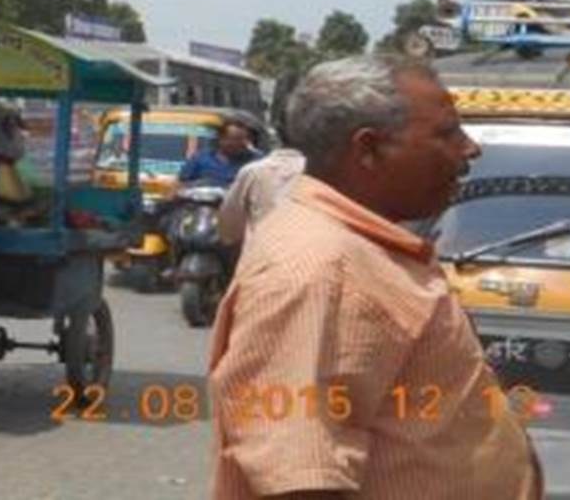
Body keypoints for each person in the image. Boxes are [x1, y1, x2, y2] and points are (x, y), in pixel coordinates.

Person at [208, 56, 541, 500]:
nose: (469, 148)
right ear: (367, 149)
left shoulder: (361, 249)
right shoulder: (318, 269)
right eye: (446, 133)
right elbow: (300, 477)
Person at [218, 113, 307, 247]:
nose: (235, 143)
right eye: (231, 139)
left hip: (260, 252)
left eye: (240, 139)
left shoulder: (253, 171)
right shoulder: (317, 171)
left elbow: (229, 227)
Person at [179, 119, 261, 187]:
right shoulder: (201, 159)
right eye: (234, 139)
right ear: (221, 139)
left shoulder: (256, 161)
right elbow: (182, 183)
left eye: (243, 139)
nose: (239, 143)